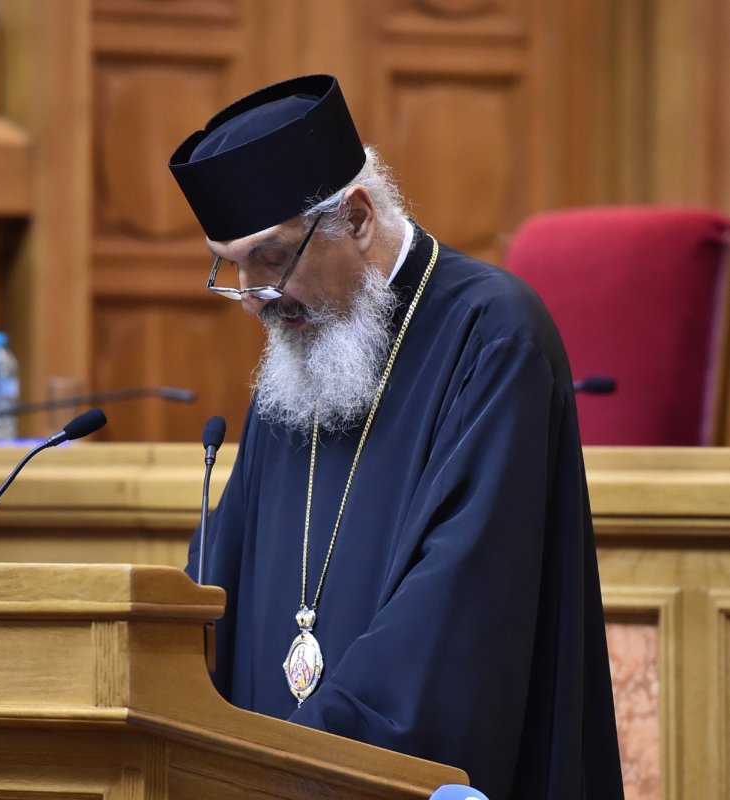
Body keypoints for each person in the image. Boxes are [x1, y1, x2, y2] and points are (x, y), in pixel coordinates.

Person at [169, 74, 624, 799]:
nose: (255, 298)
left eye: (271, 257)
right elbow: (225, 570)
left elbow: (463, 609)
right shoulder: (299, 352)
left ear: (353, 216)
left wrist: (297, 762)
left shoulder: (492, 334)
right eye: (232, 267)